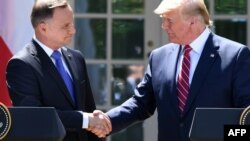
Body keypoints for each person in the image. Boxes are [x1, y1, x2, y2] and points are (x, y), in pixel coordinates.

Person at [91, 0, 250, 141]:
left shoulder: (235, 56)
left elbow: (246, 116)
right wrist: (108, 120)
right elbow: (141, 103)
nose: (164, 26)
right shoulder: (159, 57)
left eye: (169, 20)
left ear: (193, 22)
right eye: (163, 20)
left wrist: (218, 134)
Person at [5, 0, 111, 141]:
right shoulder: (21, 65)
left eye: (72, 24)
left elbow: (89, 109)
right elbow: (35, 117)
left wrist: (96, 125)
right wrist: (85, 120)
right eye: (65, 26)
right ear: (43, 28)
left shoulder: (76, 57)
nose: (73, 30)